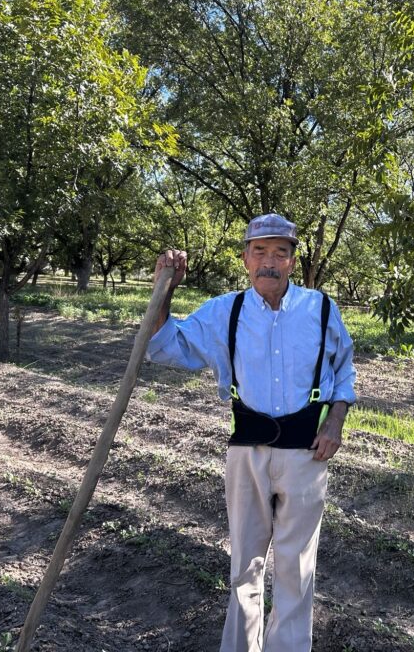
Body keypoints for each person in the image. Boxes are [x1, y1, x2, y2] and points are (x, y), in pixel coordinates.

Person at [147, 213, 356, 652]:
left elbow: (343, 372)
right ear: (245, 258)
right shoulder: (227, 310)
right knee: (245, 567)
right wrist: (164, 292)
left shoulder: (320, 309)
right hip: (246, 454)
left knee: (296, 570)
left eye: (280, 252)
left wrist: (335, 422)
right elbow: (168, 345)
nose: (269, 262)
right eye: (259, 251)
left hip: (306, 454)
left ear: (293, 262)